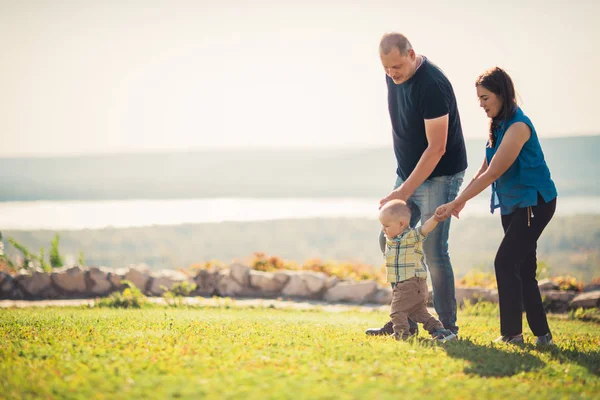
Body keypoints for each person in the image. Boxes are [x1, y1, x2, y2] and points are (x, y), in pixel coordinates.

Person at [435, 67, 557, 345]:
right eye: (479, 98)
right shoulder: (499, 125)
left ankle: (512, 335)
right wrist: (459, 201)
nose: (481, 104)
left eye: (485, 98)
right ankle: (543, 336)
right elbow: (484, 169)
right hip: (513, 204)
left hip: (534, 202)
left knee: (505, 263)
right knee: (524, 268)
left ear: (502, 94)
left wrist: (457, 200)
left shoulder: (518, 127)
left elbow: (493, 175)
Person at [366, 33, 467, 337]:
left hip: (441, 174)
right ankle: (404, 317)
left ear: (411, 54)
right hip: (408, 173)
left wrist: (404, 190)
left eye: (396, 66)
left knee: (435, 250)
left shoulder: (432, 85)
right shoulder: (394, 75)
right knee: (389, 240)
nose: (391, 74)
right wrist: (404, 184)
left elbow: (437, 149)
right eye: (386, 69)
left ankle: (447, 327)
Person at [379, 199, 458, 342]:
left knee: (397, 312)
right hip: (416, 286)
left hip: (408, 284)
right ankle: (441, 331)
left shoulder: (410, 237)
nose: (384, 230)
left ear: (402, 224)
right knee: (419, 313)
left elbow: (424, 229)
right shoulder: (392, 238)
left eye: (386, 226)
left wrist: (434, 218)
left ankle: (402, 335)